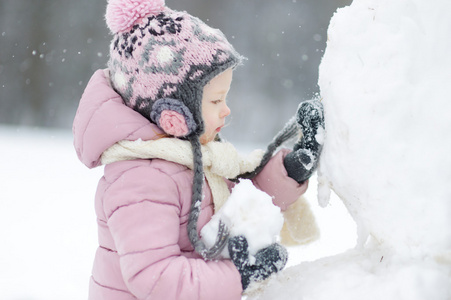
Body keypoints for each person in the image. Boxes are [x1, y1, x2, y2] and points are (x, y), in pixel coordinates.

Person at [73, 0, 324, 299]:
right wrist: (240, 275)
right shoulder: (142, 180)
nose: (226, 110)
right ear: (173, 112)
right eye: (216, 101)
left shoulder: (190, 156)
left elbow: (237, 199)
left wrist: (291, 170)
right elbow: (155, 277)